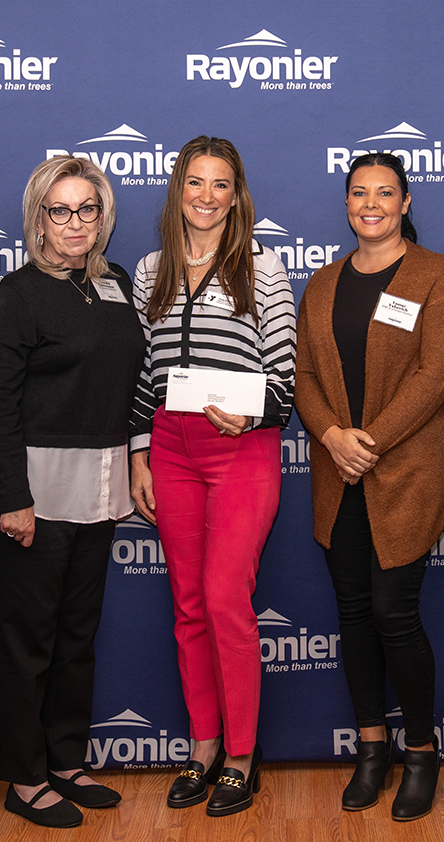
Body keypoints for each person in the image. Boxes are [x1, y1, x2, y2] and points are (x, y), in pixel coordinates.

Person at [0, 156, 145, 828]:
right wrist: (12, 497)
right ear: (37, 218)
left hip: (99, 484)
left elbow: (129, 381)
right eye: (60, 210)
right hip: (31, 489)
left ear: (103, 216)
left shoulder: (115, 283)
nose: (75, 223)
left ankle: (66, 759)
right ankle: (24, 774)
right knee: (27, 639)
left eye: (87, 209)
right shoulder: (16, 293)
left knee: (76, 633)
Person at [295, 152, 444, 821]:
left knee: (395, 611)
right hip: (338, 475)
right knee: (352, 612)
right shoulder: (321, 283)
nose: (371, 203)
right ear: (346, 204)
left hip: (403, 472)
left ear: (404, 201)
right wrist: (335, 436)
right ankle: (372, 747)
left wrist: (368, 441)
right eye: (359, 192)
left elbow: (436, 372)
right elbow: (305, 375)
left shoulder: (434, 275)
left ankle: (420, 751)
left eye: (384, 192)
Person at [129, 136, 295, 817]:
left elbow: (283, 379)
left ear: (237, 193)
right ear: (177, 190)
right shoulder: (149, 268)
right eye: (194, 182)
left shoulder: (263, 266)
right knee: (189, 603)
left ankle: (240, 754)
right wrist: (138, 451)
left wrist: (249, 412)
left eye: (219, 184)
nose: (205, 195)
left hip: (241, 448)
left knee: (226, 598)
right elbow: (144, 374)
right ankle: (202, 745)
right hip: (170, 448)